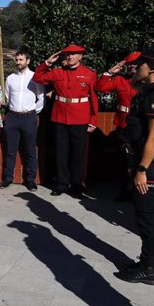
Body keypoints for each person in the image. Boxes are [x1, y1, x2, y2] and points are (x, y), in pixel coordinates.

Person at [114, 46, 154, 286]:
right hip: (146, 162)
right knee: (145, 216)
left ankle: (151, 268)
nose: (135, 68)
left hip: (150, 165)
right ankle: (147, 261)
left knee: (148, 218)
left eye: (140, 65)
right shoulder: (152, 90)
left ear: (151, 69)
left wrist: (141, 170)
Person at [33, 45, 98, 197]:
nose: (69, 57)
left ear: (80, 57)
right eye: (67, 55)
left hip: (80, 117)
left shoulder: (89, 74)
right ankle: (61, 183)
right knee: (61, 153)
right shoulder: (57, 72)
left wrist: (93, 119)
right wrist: (48, 63)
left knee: (79, 154)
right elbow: (37, 77)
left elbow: (94, 98)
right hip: (60, 117)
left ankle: (77, 185)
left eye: (73, 54)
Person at [95, 51, 141, 201]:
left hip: (140, 126)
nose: (132, 67)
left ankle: (138, 191)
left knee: (138, 159)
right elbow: (100, 87)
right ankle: (124, 190)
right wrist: (109, 72)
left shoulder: (146, 83)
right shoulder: (121, 80)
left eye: (135, 64)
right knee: (123, 160)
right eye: (130, 64)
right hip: (123, 125)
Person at [0, 51, 44, 191]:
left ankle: (30, 180)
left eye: (21, 59)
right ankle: (8, 178)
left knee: (30, 150)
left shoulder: (35, 77)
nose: (18, 62)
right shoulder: (10, 78)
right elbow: (7, 96)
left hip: (28, 117)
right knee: (10, 150)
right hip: (12, 117)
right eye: (17, 59)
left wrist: (33, 112)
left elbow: (41, 97)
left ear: (28, 61)